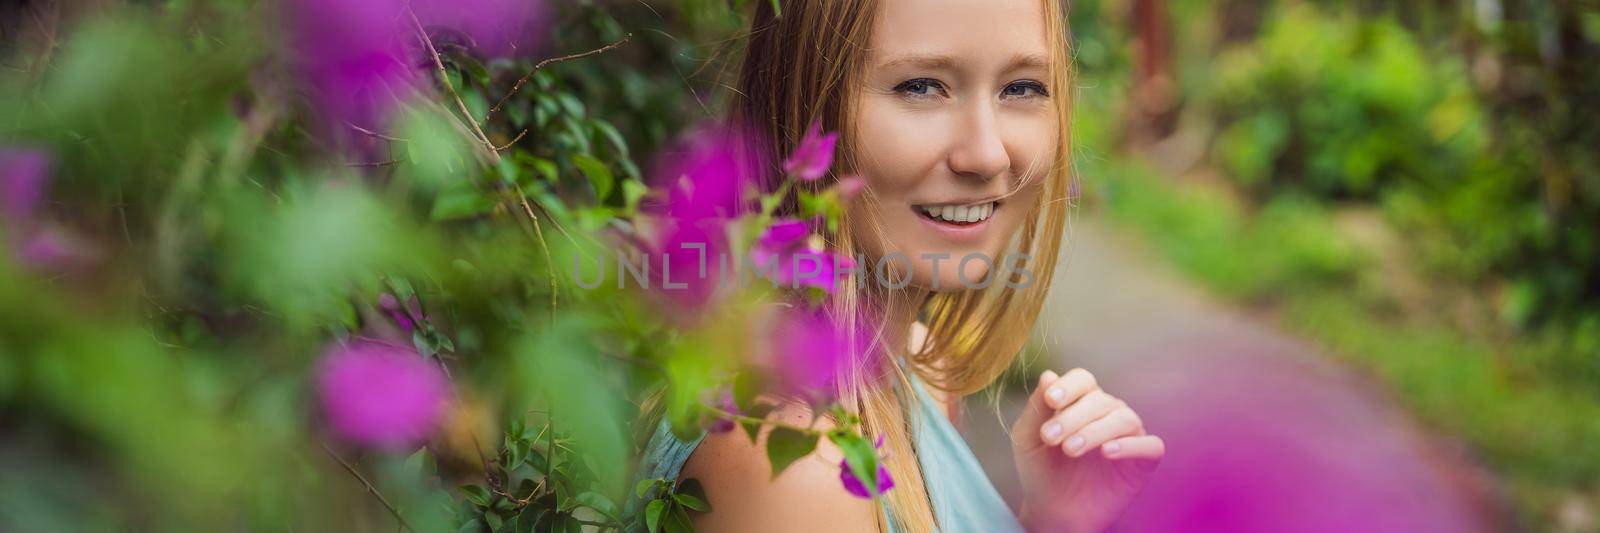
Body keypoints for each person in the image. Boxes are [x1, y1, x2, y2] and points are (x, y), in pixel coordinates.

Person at [637, 0, 1164, 531]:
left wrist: (1055, 523)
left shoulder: (907, 361)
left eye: (1021, 88)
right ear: (801, 102)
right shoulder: (798, 471)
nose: (987, 155)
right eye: (921, 86)